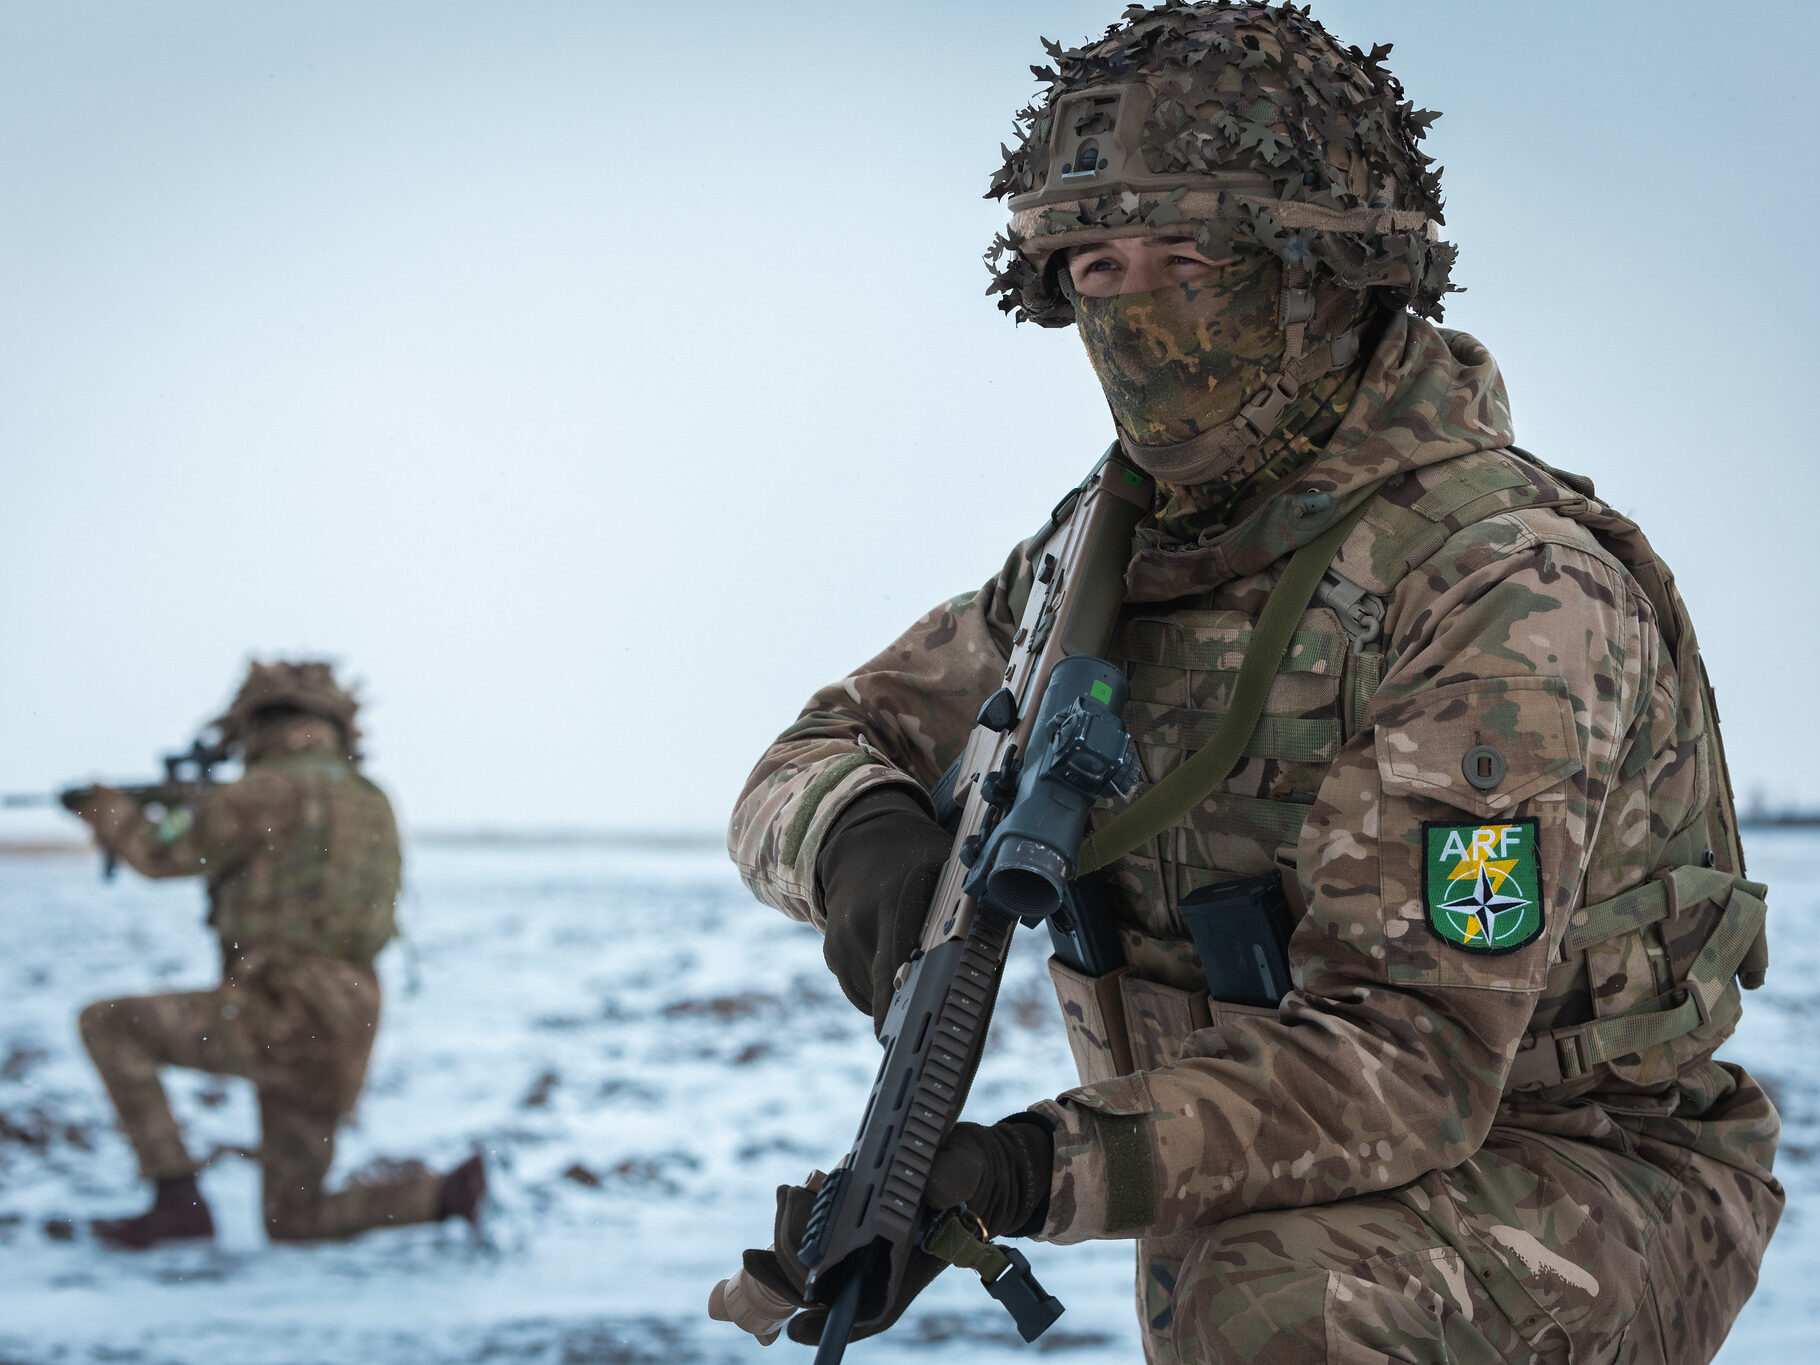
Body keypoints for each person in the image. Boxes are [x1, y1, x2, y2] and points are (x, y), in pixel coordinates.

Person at [713, 4, 1782, 1361]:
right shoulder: (1096, 557)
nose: (1137, 303)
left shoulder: (1502, 585)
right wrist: (858, 837)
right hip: (1277, 1176)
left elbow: (1408, 1061)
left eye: (1192, 253)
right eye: (1098, 263)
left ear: (1324, 269)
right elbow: (809, 751)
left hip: (1581, 1172)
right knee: (1241, 1275)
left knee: (1268, 1298)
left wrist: (1020, 1173)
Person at [72, 660, 485, 1248]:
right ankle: (443, 1195)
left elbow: (164, 857)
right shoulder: (371, 799)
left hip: (277, 1014)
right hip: (346, 1024)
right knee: (295, 1219)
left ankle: (175, 1199)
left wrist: (109, 812)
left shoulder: (263, 791)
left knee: (108, 1026)